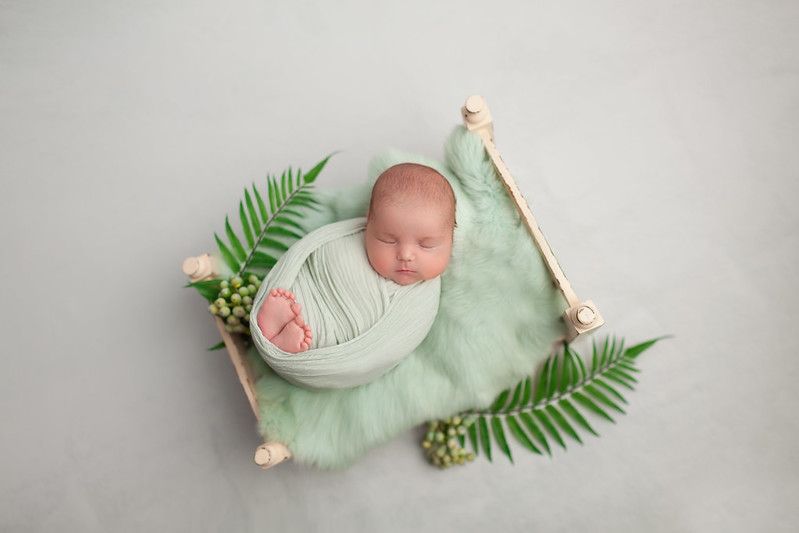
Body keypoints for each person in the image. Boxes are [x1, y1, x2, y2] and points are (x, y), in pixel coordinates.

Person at [255, 162, 456, 353]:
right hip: (318, 291)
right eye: (388, 239)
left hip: (340, 343)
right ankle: (281, 321)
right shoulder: (350, 241)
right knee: (325, 269)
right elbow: (314, 259)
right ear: (369, 223)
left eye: (426, 244)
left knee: (341, 330)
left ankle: (296, 335)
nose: (405, 255)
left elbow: (391, 346)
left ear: (451, 238)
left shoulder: (424, 300)